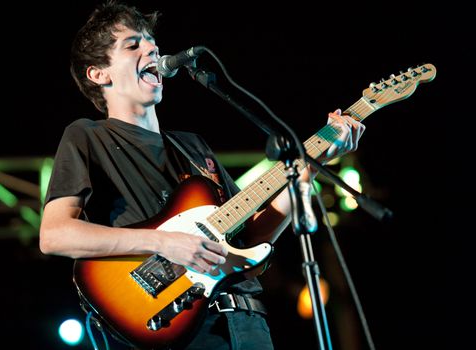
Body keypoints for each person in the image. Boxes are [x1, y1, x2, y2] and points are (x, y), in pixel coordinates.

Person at [39, 1, 366, 349]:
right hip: (176, 323)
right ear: (99, 74)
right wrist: (163, 243)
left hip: (247, 322)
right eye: (133, 44)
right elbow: (55, 234)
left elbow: (250, 236)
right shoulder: (88, 135)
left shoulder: (193, 148)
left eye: (152, 43)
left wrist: (308, 170)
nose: (151, 48)